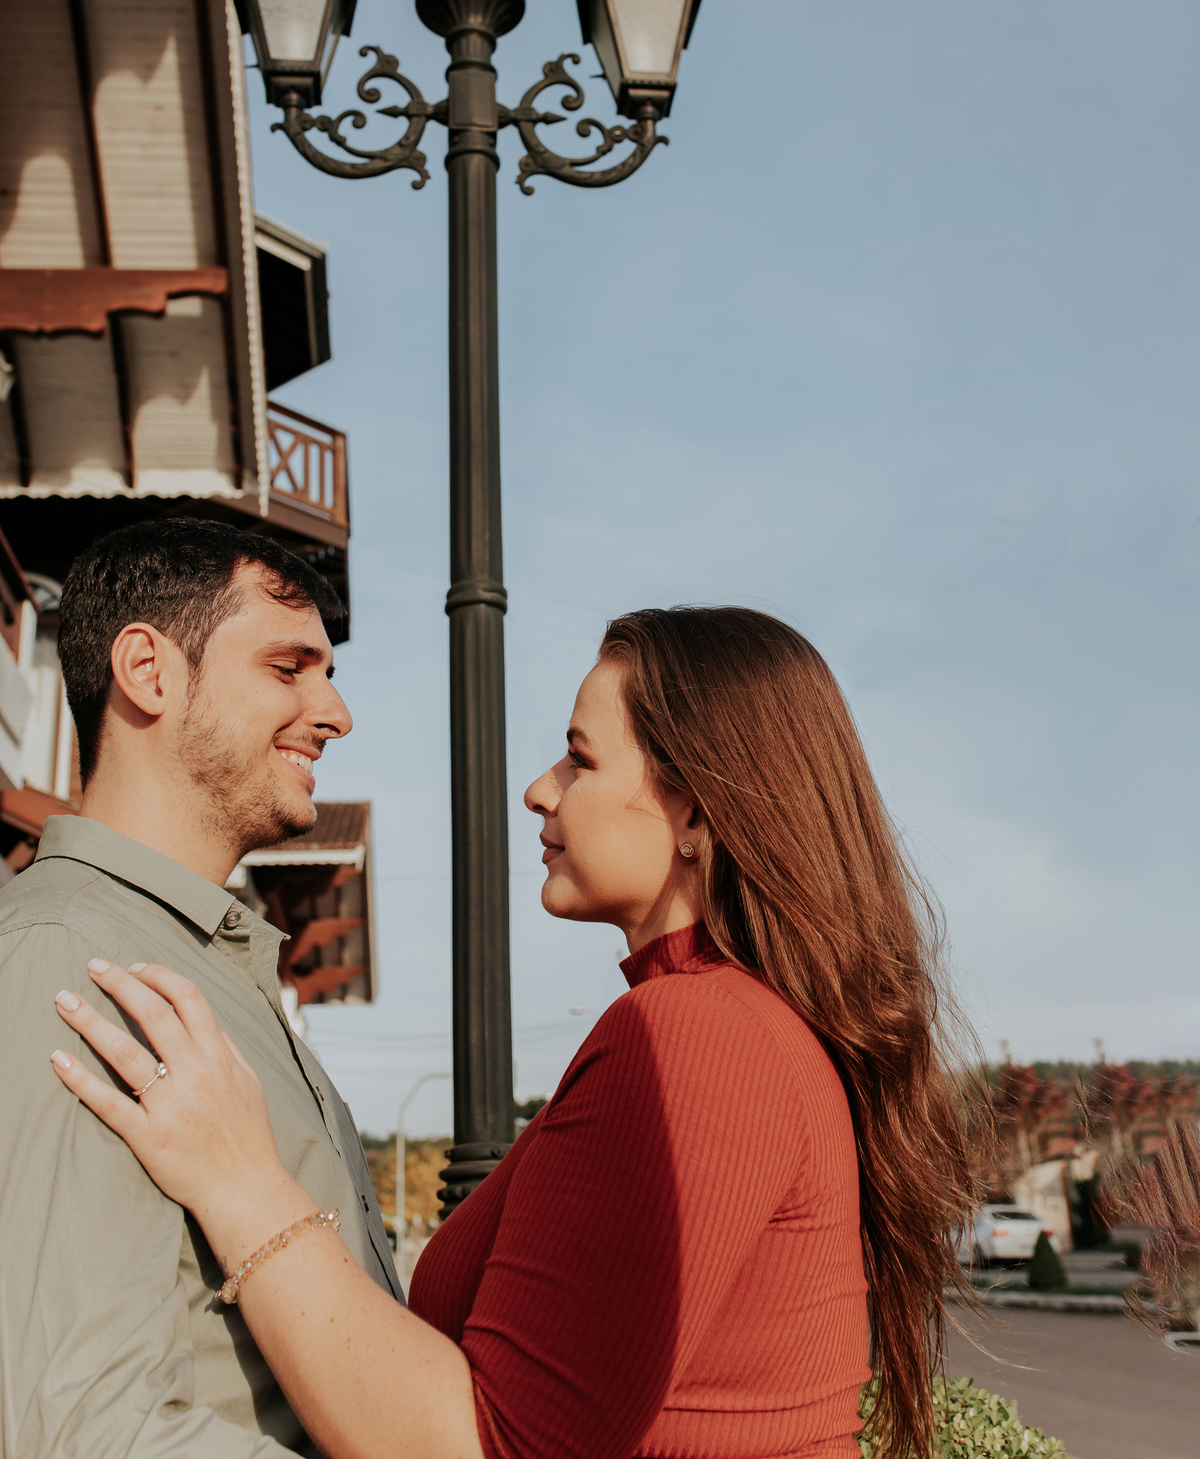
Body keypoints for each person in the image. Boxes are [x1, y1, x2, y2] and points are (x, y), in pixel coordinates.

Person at [51, 606, 976, 1459]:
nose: (540, 791)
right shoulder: (730, 1023)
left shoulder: (701, 1033)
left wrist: (240, 1181)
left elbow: (493, 1445)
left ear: (695, 808)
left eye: (579, 760)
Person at [0, 519, 400, 1458]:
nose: (336, 713)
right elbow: (79, 1429)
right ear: (148, 671)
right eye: (288, 667)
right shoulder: (68, 954)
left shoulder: (205, 965)